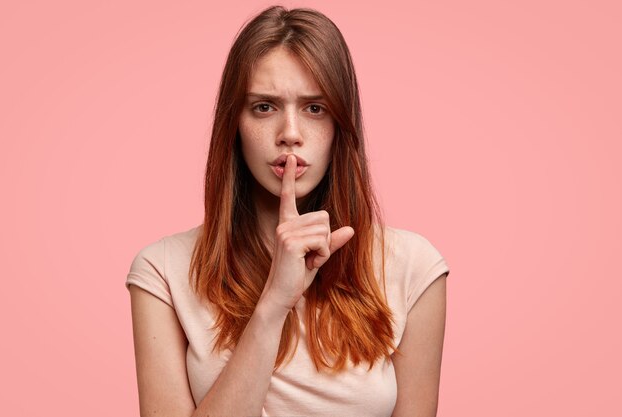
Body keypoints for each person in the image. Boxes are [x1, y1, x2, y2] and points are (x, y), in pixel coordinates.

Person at [125, 5, 450, 417]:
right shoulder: (162, 271)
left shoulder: (413, 268)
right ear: (234, 124)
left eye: (315, 108)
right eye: (264, 107)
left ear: (340, 126)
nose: (290, 134)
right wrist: (273, 304)